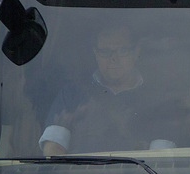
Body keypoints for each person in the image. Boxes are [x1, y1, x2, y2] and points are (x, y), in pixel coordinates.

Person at [39, 23, 175, 155]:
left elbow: (159, 160)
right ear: (95, 53)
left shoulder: (158, 101)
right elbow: (53, 149)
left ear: (136, 51)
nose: (113, 59)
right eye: (105, 52)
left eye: (122, 51)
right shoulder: (72, 93)